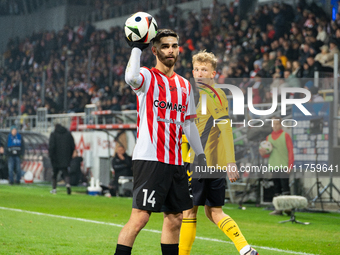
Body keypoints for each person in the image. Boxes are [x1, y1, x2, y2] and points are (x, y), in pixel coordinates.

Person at [114, 29, 206, 255]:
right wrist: (136, 48)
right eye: (165, 46)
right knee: (140, 218)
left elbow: (189, 124)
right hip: (150, 159)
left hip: (176, 162)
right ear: (154, 50)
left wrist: (200, 155)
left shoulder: (185, 85)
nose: (171, 50)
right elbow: (130, 77)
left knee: (175, 218)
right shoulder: (146, 77)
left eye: (174, 46)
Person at [179, 51, 258, 255]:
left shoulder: (213, 95)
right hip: (212, 163)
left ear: (213, 73)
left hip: (199, 161)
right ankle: (245, 248)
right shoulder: (201, 95)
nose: (198, 74)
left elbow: (226, 128)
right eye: (196, 69)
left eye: (204, 70)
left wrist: (231, 162)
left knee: (188, 212)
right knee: (214, 212)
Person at [259, 118, 294, 215]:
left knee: (285, 187)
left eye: (277, 124)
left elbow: (290, 151)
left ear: (281, 125)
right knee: (276, 188)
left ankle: (288, 208)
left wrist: (290, 165)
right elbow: (267, 154)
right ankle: (278, 209)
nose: (275, 126)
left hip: (284, 165)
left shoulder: (285, 136)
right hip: (273, 166)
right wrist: (262, 153)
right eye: (273, 124)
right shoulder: (268, 138)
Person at [48, 123, 75, 195]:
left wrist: (51, 156)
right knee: (66, 173)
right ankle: (68, 184)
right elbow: (73, 146)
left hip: (56, 159)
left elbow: (51, 147)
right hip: (65, 158)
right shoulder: (68, 134)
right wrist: (69, 156)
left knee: (55, 174)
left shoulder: (53, 134)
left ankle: (54, 189)